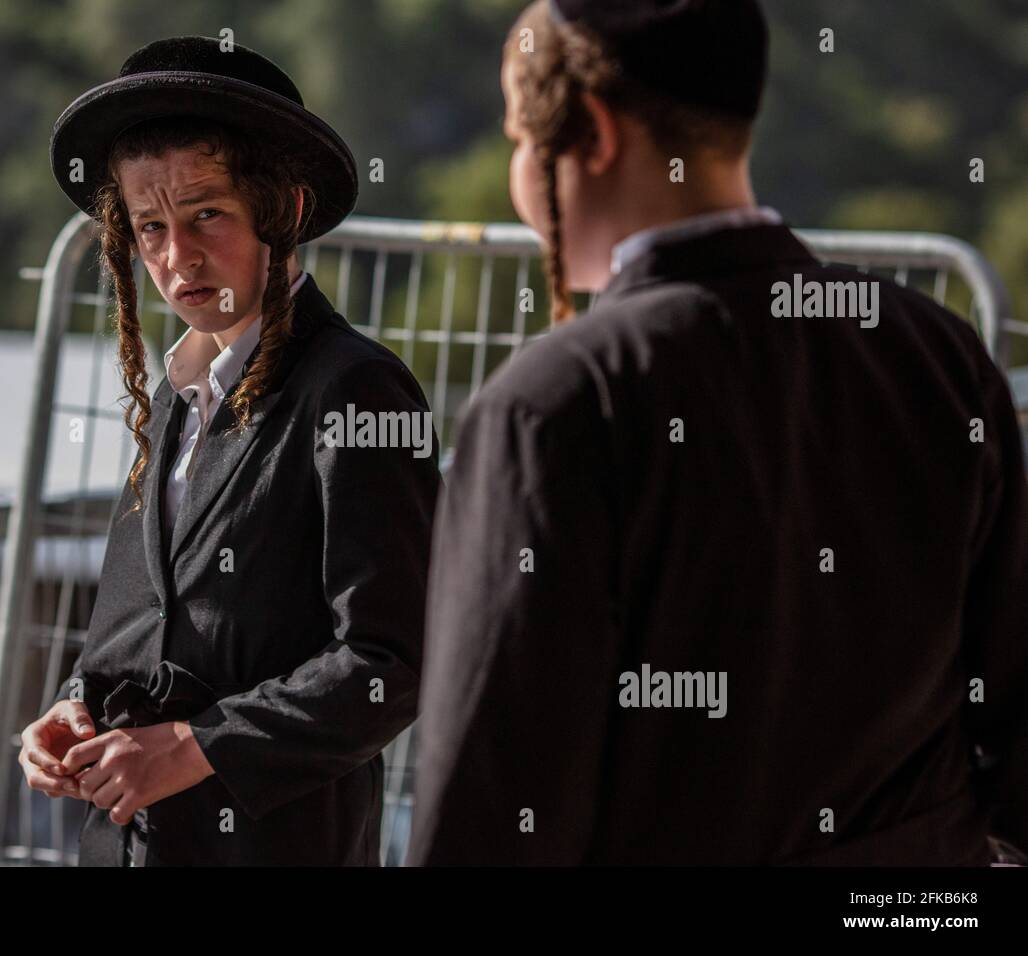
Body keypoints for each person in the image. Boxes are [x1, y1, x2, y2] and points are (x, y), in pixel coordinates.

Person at [408, 0, 1028, 865]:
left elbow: (499, 793)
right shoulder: (939, 350)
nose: (518, 168)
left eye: (520, 136)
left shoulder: (553, 404)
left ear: (589, 131)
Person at [18, 36, 442, 865]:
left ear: (279, 210)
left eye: (206, 213)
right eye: (150, 227)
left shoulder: (358, 389)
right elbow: (142, 628)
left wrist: (199, 746)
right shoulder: (174, 395)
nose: (177, 258)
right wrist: (73, 706)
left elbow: (392, 661)